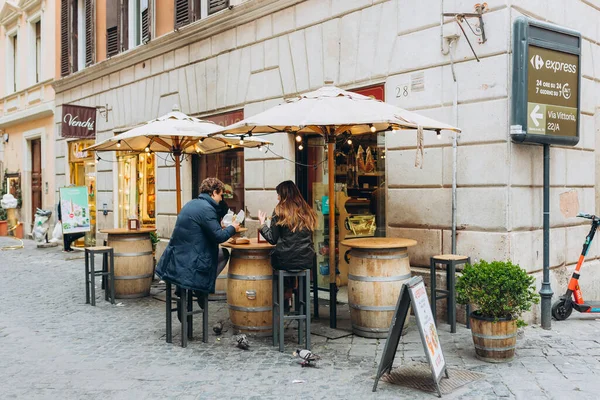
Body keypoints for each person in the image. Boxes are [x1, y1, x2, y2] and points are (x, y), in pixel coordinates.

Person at [156, 178, 240, 310]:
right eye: (220, 195)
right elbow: (219, 237)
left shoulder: (191, 204)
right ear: (213, 193)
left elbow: (199, 231)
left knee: (217, 254)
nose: (221, 199)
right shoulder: (207, 209)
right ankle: (201, 289)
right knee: (223, 254)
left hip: (176, 261)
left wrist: (218, 225)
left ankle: (191, 290)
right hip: (191, 263)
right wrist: (233, 228)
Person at [258, 180, 317, 310]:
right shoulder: (307, 210)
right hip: (306, 260)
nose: (277, 197)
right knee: (291, 258)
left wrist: (262, 224)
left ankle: (284, 299)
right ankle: (294, 298)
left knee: (280, 260)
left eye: (278, 194)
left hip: (285, 261)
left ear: (283, 195)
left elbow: (272, 239)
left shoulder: (280, 211)